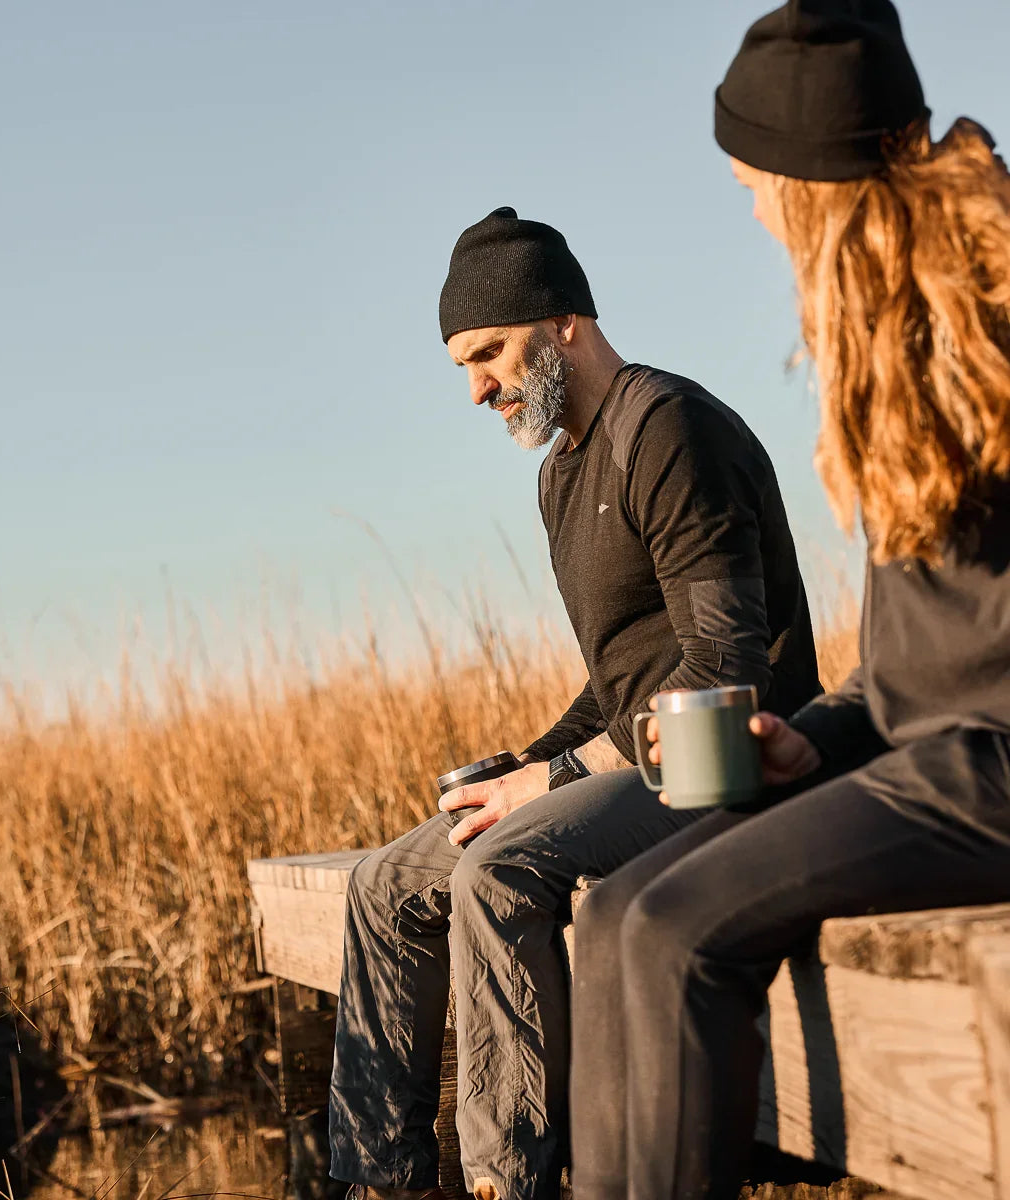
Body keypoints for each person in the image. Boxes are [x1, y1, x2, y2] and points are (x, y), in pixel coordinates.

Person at [568, 3, 1010, 1199]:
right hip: (936, 765)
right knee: (613, 913)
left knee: (674, 933)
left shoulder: (993, 330)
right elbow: (902, 676)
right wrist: (798, 746)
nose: (754, 211)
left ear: (813, 180)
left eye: (754, 181)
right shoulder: (893, 348)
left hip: (993, 772)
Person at [329, 207, 821, 1200]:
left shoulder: (670, 429)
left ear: (563, 324)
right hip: (638, 758)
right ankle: (377, 1181)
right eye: (461, 365)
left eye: (488, 353)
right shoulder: (561, 474)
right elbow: (616, 677)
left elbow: (726, 667)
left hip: (732, 760)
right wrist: (527, 762)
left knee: (504, 866)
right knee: (383, 885)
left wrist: (551, 785)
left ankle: (509, 1181)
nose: (474, 389)